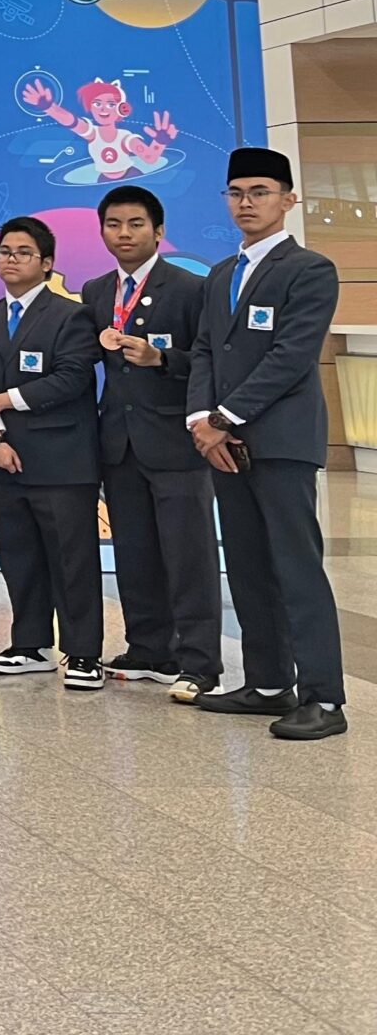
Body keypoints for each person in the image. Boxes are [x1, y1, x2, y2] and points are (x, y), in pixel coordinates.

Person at [188, 147, 348, 740]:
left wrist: (223, 418)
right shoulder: (221, 275)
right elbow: (206, 349)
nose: (246, 203)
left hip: (281, 443)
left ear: (288, 200)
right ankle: (268, 683)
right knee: (248, 566)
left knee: (296, 568)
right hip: (225, 445)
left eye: (259, 192)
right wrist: (201, 420)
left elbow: (291, 356)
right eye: (236, 193)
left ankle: (324, 698)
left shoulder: (310, 270)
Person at [79, 184, 217, 701]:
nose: (124, 233)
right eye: (113, 224)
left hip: (176, 442)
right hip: (118, 442)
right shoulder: (96, 291)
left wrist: (162, 359)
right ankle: (148, 648)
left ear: (159, 231)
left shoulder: (189, 288)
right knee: (133, 551)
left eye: (136, 224)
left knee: (188, 555)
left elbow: (209, 361)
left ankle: (199, 661)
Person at [0, 214, 103, 690]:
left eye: (23, 253)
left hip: (62, 460)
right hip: (5, 458)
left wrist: (3, 401)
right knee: (18, 555)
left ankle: (84, 653)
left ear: (46, 263)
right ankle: (30, 645)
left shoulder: (72, 315)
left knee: (72, 560)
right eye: (4, 252)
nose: (12, 260)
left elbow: (71, 378)